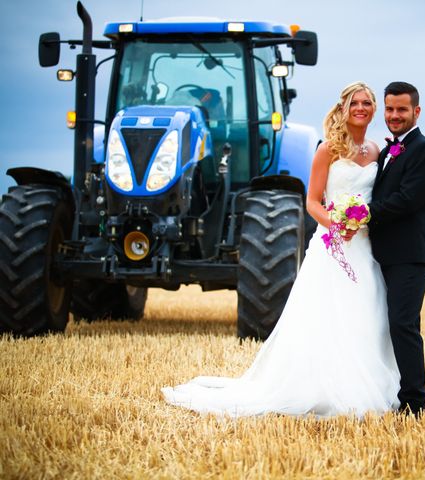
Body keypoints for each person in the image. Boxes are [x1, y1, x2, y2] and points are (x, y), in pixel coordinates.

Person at [162, 81, 401, 417]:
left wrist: (360, 222)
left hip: (364, 245)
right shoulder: (328, 149)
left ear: (373, 109)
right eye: (355, 103)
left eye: (367, 103)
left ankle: (366, 384)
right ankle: (325, 388)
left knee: (367, 313)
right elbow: (313, 202)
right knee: (329, 314)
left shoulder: (377, 150)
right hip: (333, 244)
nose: (361, 108)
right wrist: (337, 225)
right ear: (344, 108)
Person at [368, 81, 425, 416]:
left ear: (416, 111)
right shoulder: (390, 149)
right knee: (384, 324)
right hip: (384, 252)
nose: (394, 115)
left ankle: (414, 402)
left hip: (411, 253)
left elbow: (409, 200)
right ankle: (386, 390)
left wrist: (363, 214)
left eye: (402, 109)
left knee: (403, 323)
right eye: (390, 109)